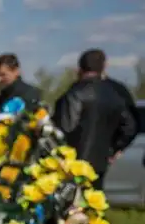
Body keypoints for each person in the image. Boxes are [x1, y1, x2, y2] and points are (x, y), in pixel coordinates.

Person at [52, 49, 138, 189]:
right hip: (100, 162)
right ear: (104, 67)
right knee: (93, 202)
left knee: (72, 204)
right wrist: (115, 148)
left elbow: (65, 128)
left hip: (72, 163)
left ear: (80, 68)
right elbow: (129, 127)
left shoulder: (74, 93)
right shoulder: (114, 94)